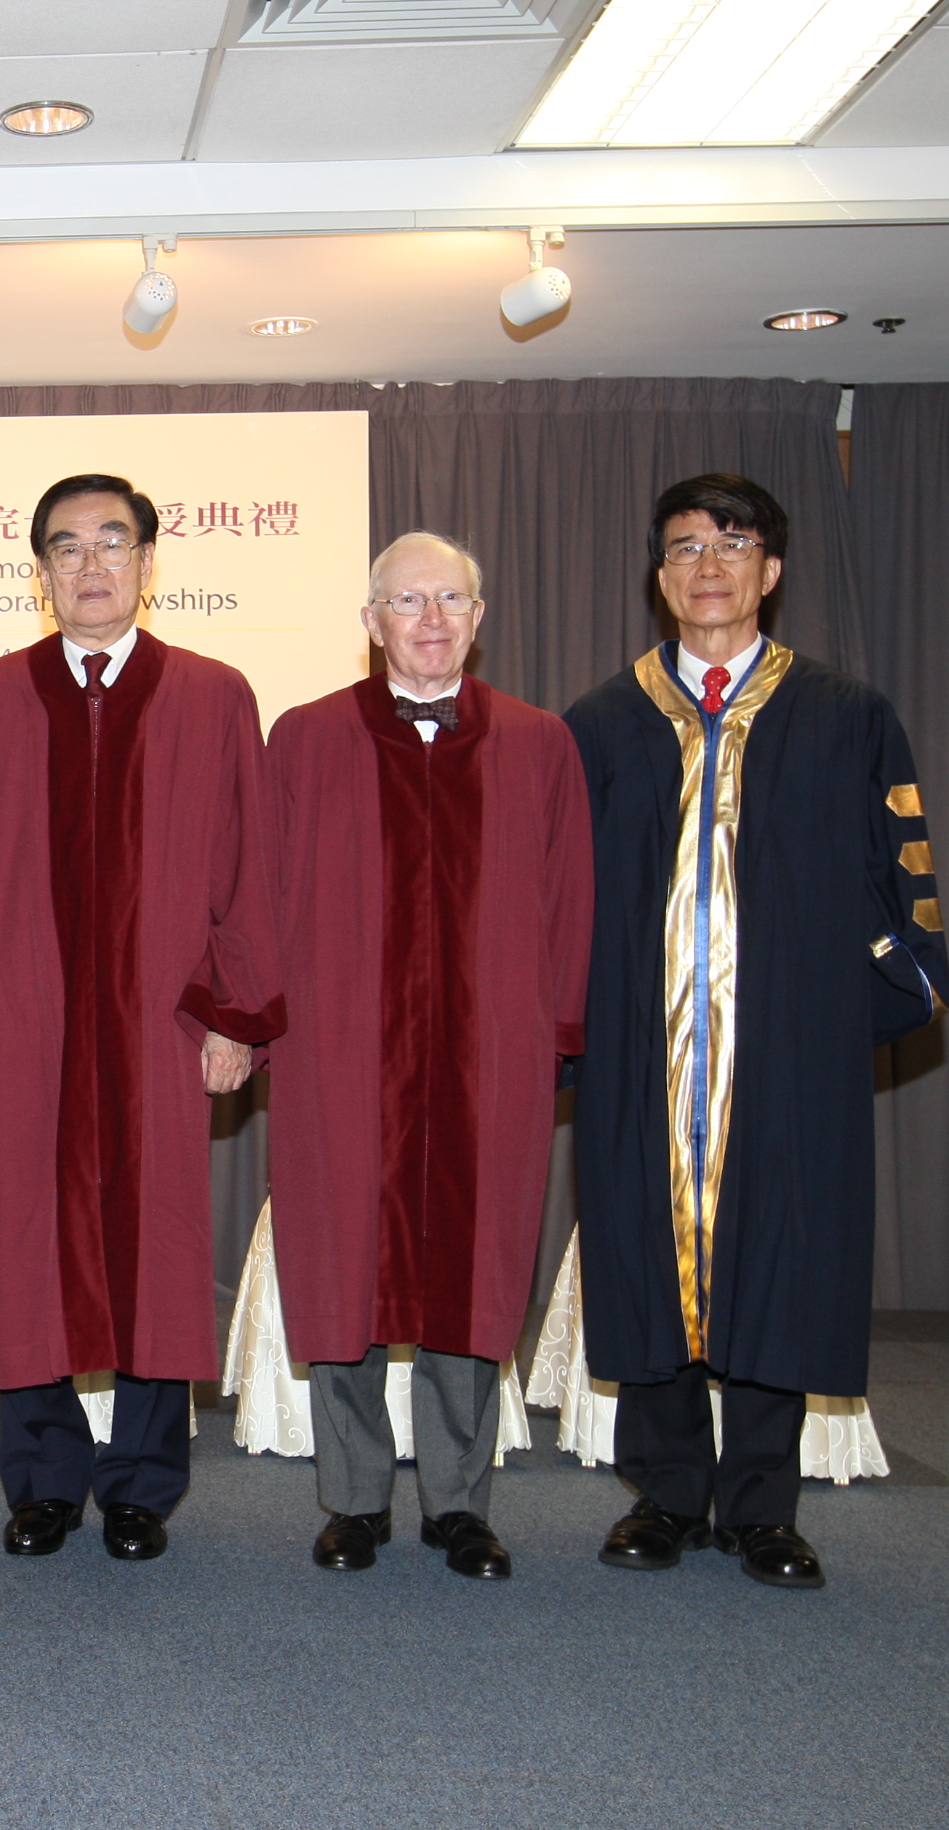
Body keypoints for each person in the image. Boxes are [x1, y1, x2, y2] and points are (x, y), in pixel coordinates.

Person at [567, 472, 949, 1591]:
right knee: (645, 1249)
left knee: (783, 1255)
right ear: (658, 575)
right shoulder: (599, 722)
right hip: (642, 1046)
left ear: (769, 571)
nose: (707, 563)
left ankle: (761, 1508)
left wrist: (868, 1003)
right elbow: (559, 898)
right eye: (683, 545)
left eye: (731, 544)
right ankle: (663, 1493)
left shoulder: (844, 716)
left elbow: (902, 884)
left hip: (785, 1046)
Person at [0, 473, 281, 1561]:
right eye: (66, 547)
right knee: (25, 1239)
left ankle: (137, 1483)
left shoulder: (212, 693)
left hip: (156, 1025)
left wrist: (233, 1011)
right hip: (27, 1022)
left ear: (146, 562)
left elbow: (247, 863)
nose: (90, 566)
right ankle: (41, 1479)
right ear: (38, 572)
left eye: (111, 543)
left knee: (156, 1244)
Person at [266, 533, 591, 1579]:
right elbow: (265, 898)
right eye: (406, 600)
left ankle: (458, 1502)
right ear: (369, 620)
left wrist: (556, 1034)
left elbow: (566, 897)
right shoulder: (306, 738)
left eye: (450, 597)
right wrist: (267, 1025)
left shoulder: (536, 742)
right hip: (341, 1053)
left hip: (483, 1054)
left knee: (468, 1267)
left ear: (478, 615)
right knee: (343, 1270)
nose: (431, 619)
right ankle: (353, 1500)